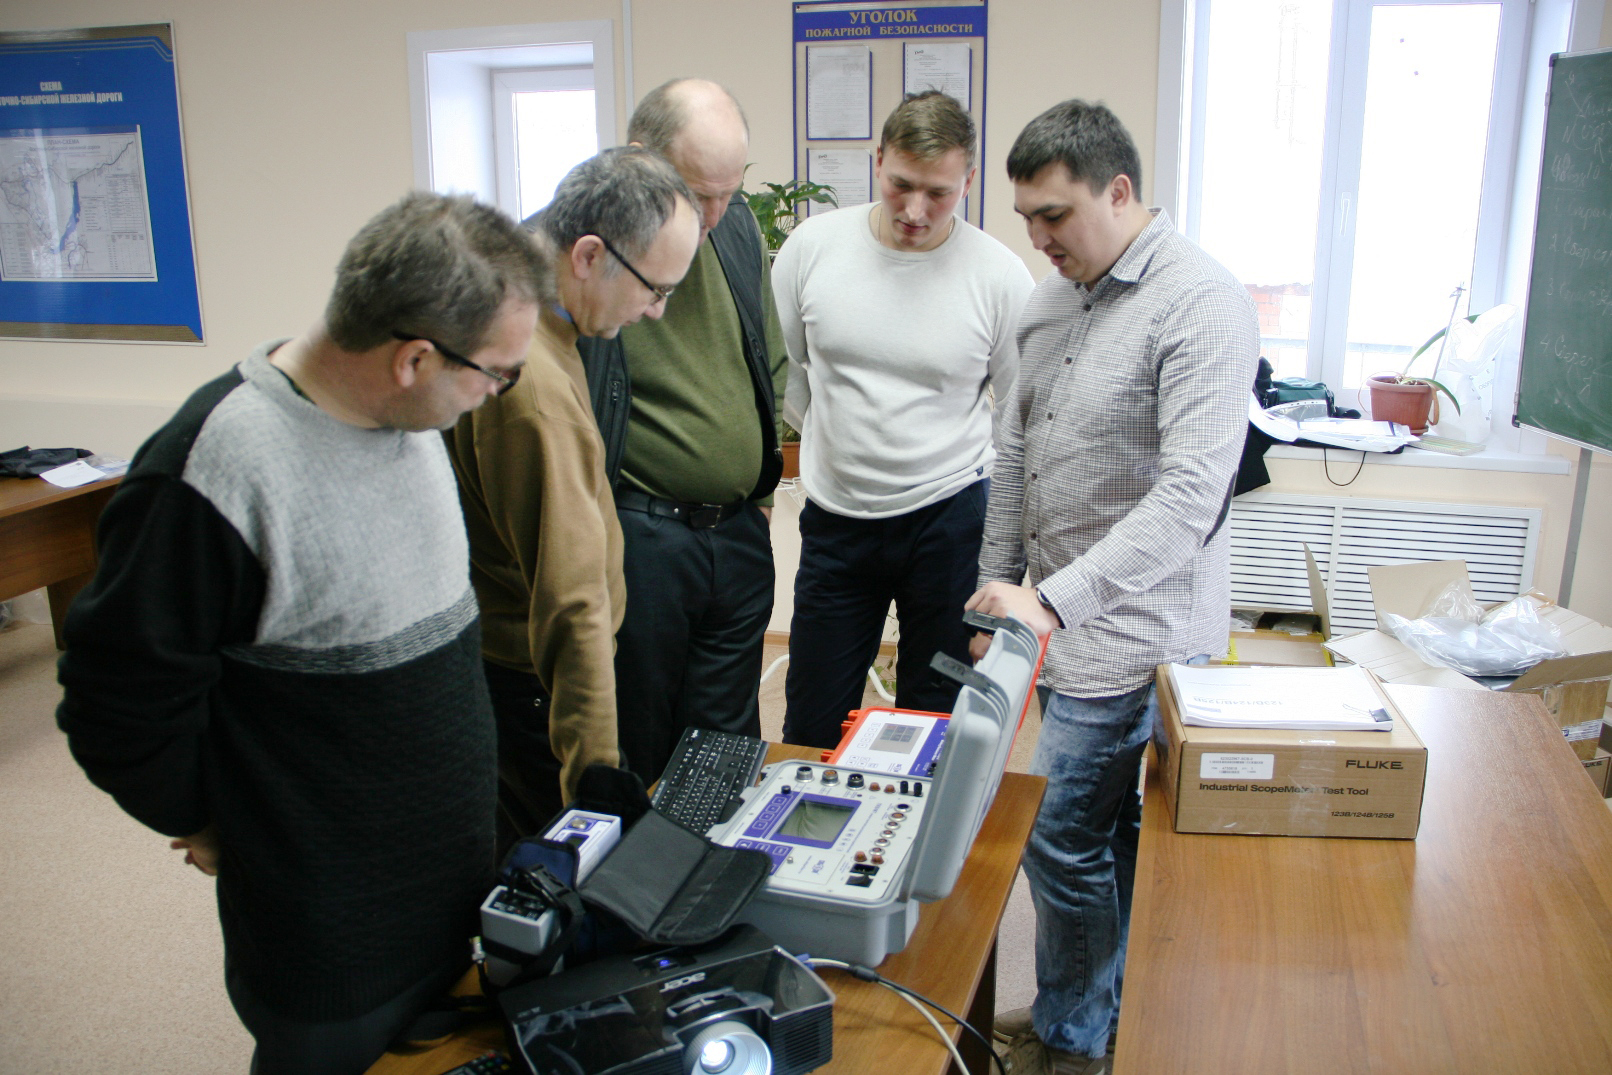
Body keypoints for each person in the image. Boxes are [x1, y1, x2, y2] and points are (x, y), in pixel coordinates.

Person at [56, 192, 545, 1075]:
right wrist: (210, 821)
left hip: (449, 887)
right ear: (414, 358)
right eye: (497, 375)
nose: (495, 395)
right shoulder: (213, 470)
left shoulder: (412, 419)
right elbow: (113, 707)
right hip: (329, 935)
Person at [969, 101, 1259, 1075]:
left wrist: (1051, 601)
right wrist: (995, 590)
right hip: (1057, 623)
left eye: (1054, 215)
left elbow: (1190, 498)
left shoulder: (1201, 303)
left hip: (1142, 631)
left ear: (1120, 191)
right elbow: (1014, 454)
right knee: (1103, 832)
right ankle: (1096, 1006)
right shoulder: (1047, 303)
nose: (1038, 239)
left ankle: (1076, 1040)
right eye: (1026, 218)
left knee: (1059, 833)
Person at [444, 147, 700, 837]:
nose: (657, 312)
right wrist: (595, 772)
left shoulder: (528, 314)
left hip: (511, 673)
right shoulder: (532, 383)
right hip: (533, 689)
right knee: (555, 876)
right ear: (587, 255)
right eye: (655, 289)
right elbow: (571, 599)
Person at [772, 90, 1033, 748]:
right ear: (878, 160)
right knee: (812, 718)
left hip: (949, 522)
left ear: (968, 181)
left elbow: (1019, 421)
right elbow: (788, 372)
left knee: (935, 720)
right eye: (900, 185)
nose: (915, 211)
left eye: (938, 193)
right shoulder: (811, 249)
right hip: (837, 522)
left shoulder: (1000, 277)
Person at [578, 79, 788, 785]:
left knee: (725, 752)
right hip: (644, 535)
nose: (714, 214)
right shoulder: (594, 247)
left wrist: (760, 497)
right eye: (699, 194)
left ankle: (712, 856)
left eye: (731, 191)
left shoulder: (734, 226)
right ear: (642, 157)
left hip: (736, 535)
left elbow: (768, 359)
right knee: (640, 738)